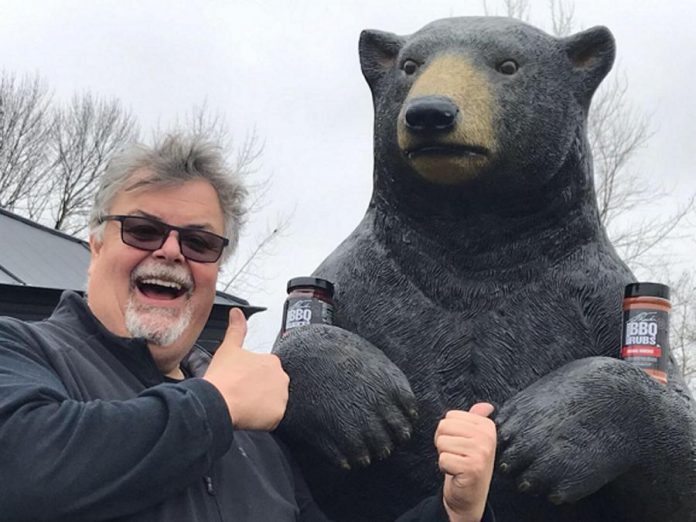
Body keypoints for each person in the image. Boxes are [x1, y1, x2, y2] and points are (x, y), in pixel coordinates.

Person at [0, 134, 497, 522]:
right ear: (96, 245)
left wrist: (453, 510)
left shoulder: (255, 429)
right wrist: (216, 404)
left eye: (199, 242)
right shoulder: (20, 348)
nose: (170, 251)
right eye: (143, 230)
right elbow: (22, 471)